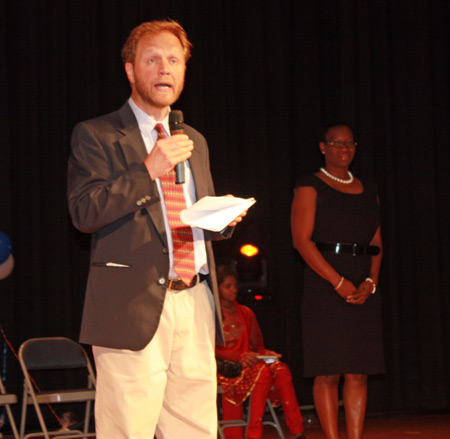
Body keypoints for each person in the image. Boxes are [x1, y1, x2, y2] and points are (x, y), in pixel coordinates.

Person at [67, 20, 247, 439]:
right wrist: (148, 170)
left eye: (173, 60)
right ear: (131, 71)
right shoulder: (97, 135)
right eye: (152, 60)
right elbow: (84, 211)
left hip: (197, 298)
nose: (164, 69)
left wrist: (220, 221)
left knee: (194, 429)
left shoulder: (194, 139)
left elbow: (187, 216)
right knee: (128, 430)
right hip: (132, 304)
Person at [290, 124, 384, 439]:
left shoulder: (369, 189)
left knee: (358, 372)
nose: (344, 150)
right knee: (328, 371)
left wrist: (371, 281)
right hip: (324, 283)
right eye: (336, 143)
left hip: (362, 285)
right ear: (322, 147)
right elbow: (302, 242)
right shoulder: (309, 185)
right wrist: (337, 281)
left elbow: (376, 240)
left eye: (350, 144)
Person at [215, 265, 306, 439]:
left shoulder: (246, 313)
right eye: (228, 286)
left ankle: (297, 432)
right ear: (217, 288)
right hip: (227, 369)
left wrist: (267, 354)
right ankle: (254, 433)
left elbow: (257, 347)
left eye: (235, 285)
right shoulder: (213, 315)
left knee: (281, 370)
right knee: (262, 372)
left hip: (250, 364)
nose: (234, 290)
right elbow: (209, 349)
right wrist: (239, 357)